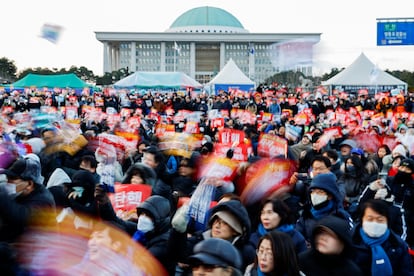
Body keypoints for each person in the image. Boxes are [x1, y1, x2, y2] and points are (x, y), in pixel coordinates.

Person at [170, 199, 255, 273]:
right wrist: (178, 232)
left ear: (236, 231)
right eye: (216, 220)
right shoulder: (199, 240)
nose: (217, 226)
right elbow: (178, 254)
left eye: (225, 223)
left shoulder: (245, 252)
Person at [351, 199, 414, 276]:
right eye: (370, 219)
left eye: (380, 220)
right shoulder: (349, 240)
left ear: (387, 222)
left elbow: (406, 272)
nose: (374, 223)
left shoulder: (398, 245)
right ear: (362, 220)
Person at [0, 156, 56, 242]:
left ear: (29, 184)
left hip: (38, 249)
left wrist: (2, 196)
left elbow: (21, 216)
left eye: (12, 179)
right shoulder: (21, 194)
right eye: (7, 179)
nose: (7, 183)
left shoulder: (43, 201)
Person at [296, 172, 352, 244]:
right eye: (312, 192)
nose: (315, 195)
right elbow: (297, 236)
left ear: (330, 195)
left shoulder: (341, 216)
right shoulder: (306, 214)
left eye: (320, 192)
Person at [298, 215, 363, 276]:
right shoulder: (301, 262)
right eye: (320, 233)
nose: (323, 238)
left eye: (330, 235)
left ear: (343, 242)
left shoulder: (351, 272)